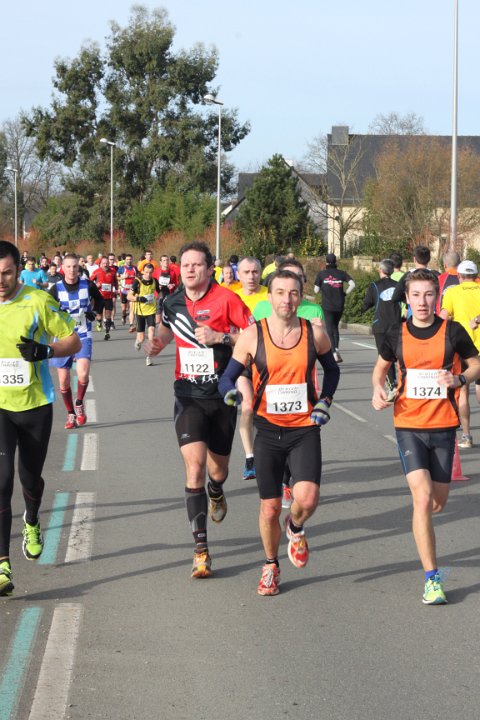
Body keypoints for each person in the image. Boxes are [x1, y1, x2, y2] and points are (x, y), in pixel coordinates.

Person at [218, 269, 340, 596]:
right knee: (270, 507)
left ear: (301, 296)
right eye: (281, 293)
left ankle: (295, 526)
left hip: (304, 428)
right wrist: (230, 392)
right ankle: (270, 565)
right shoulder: (252, 335)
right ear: (269, 296)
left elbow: (332, 371)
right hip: (268, 430)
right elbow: (227, 376)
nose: (287, 299)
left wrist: (325, 401)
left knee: (308, 498)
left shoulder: (314, 334)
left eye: (293, 293)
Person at [144, 241, 253, 579]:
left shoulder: (227, 299)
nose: (190, 269)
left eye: (197, 264)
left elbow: (253, 338)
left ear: (209, 268)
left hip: (221, 395)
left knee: (218, 470)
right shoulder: (172, 300)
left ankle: (216, 490)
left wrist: (220, 337)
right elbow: (167, 329)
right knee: (194, 467)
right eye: (186, 264)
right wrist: (157, 343)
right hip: (188, 394)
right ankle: (201, 551)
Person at [372, 268, 480, 605]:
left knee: (437, 502)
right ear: (407, 298)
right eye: (416, 295)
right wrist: (377, 390)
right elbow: (380, 370)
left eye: (429, 294)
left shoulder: (453, 331)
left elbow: (476, 364)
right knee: (421, 499)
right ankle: (432, 579)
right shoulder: (396, 333)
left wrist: (460, 380)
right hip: (408, 426)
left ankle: (427, 546)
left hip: (444, 427)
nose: (422, 302)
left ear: (437, 297)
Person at [0, 240, 81, 597]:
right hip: (0, 407)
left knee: (29, 478)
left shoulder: (38, 300)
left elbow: (73, 341)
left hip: (35, 405)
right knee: (1, 480)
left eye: (6, 273)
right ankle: (2, 564)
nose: (0, 280)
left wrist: (45, 350)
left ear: (19, 270)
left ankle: (31, 520)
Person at [48, 253, 104, 429]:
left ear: (79, 268)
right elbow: (46, 311)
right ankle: (70, 413)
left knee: (83, 373)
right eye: (68, 267)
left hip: (83, 334)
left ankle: (79, 403)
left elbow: (100, 300)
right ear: (62, 268)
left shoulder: (88, 285)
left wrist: (94, 312)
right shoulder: (55, 289)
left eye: (74, 266)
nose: (72, 270)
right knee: (63, 381)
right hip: (63, 337)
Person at [440, 259, 480, 448]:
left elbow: (443, 317)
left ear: (459, 276)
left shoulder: (452, 292)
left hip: (464, 349)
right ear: (476, 276)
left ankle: (466, 436)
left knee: (463, 390)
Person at [361, 259, 401, 393]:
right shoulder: (398, 285)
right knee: (399, 355)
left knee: (385, 356)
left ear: (380, 270)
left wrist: (361, 309)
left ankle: (392, 385)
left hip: (380, 325)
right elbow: (407, 301)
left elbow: (367, 304)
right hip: (396, 324)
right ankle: (403, 382)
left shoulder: (374, 285)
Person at [314, 253, 355, 363]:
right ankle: (336, 348)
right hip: (339, 304)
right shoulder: (341, 273)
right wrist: (345, 293)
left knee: (329, 328)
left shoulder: (322, 274)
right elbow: (352, 284)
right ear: (336, 262)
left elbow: (316, 290)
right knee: (335, 327)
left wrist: (324, 288)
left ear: (326, 262)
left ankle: (333, 353)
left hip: (327, 305)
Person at [127, 263, 160, 366]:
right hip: (140, 312)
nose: (148, 274)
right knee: (141, 338)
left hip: (151, 311)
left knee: (151, 333)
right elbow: (129, 296)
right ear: (142, 271)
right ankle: (137, 342)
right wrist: (138, 298)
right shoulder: (137, 281)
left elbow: (159, 293)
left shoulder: (155, 281)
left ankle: (148, 357)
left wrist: (159, 298)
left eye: (150, 272)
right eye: (146, 272)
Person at [90, 256, 118, 340]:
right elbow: (90, 282)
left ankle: (107, 332)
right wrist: (96, 285)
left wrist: (116, 290)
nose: (105, 265)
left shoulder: (113, 271)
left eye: (107, 263)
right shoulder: (96, 272)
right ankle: (99, 322)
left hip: (109, 297)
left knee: (108, 315)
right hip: (99, 297)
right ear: (100, 264)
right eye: (103, 263)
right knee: (99, 315)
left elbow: (116, 282)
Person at [436, 250, 460, 315]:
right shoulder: (470, 278)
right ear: (460, 264)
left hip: (443, 318)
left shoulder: (439, 279)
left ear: (445, 265)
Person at [117, 253, 138, 330]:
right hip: (124, 291)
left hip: (132, 291)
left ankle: (131, 324)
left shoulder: (135, 268)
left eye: (130, 259)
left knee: (132, 308)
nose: (129, 261)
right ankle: (124, 315)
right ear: (125, 260)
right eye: (127, 259)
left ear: (132, 260)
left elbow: (138, 277)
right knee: (124, 308)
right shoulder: (122, 268)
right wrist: (123, 277)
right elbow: (117, 278)